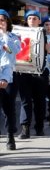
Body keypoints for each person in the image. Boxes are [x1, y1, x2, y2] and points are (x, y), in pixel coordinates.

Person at [17, 11, 50, 138]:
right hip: (24, 72)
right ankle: (25, 128)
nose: (32, 20)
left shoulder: (47, 35)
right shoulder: (19, 35)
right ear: (27, 21)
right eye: (30, 18)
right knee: (25, 101)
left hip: (40, 73)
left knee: (40, 101)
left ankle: (39, 127)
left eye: (35, 18)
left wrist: (49, 50)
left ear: (39, 21)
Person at [0, 9, 20, 150]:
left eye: (2, 20)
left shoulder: (13, 37)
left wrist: (4, 35)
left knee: (9, 108)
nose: (0, 22)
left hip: (8, 77)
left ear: (7, 21)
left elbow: (13, 53)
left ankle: (10, 135)